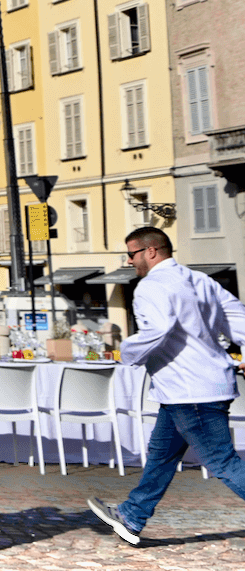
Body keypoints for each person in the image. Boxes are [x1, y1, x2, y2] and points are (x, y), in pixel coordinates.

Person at [88, 226, 245, 546]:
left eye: (131, 254)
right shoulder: (200, 281)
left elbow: (157, 330)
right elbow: (237, 318)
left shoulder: (151, 286)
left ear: (151, 251)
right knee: (162, 456)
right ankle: (132, 515)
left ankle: (133, 514)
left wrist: (127, 354)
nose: (129, 261)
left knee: (223, 462)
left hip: (190, 391)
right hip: (194, 388)